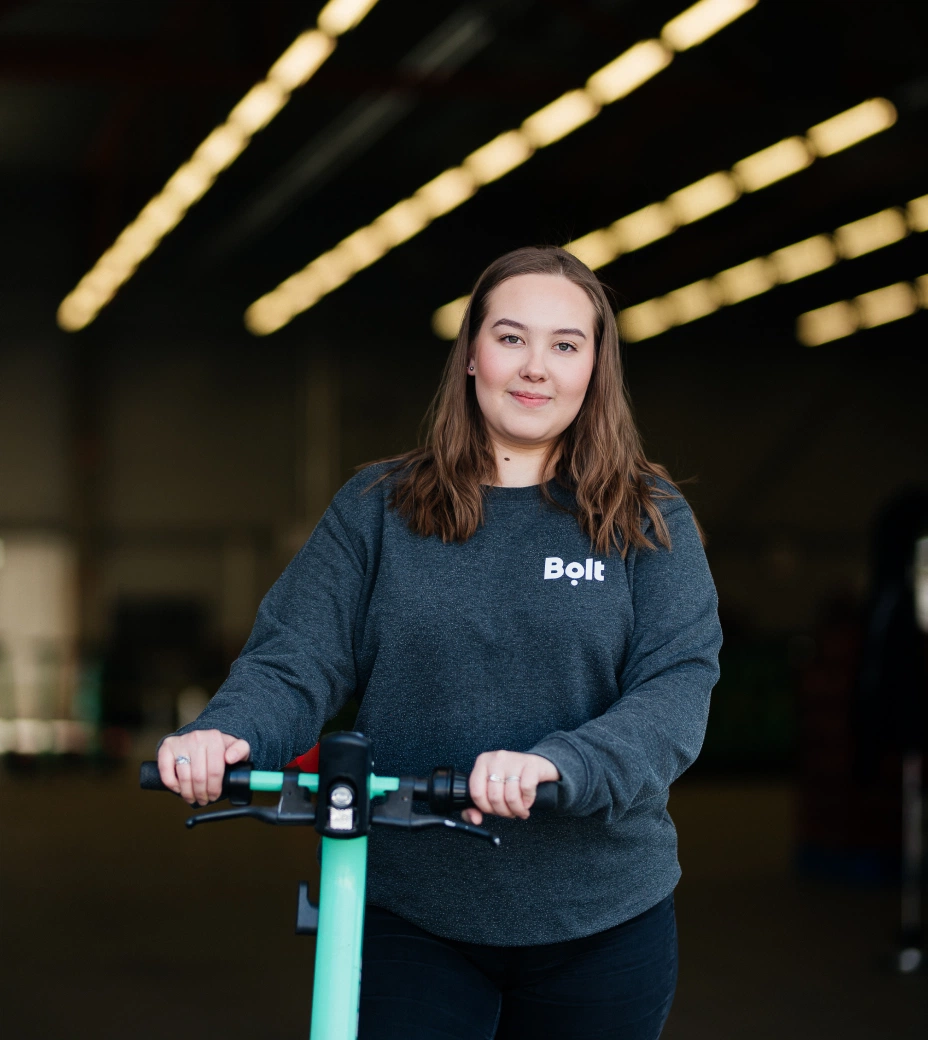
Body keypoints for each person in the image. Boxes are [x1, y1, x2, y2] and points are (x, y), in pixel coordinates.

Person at [157, 245, 722, 1039]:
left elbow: (675, 691)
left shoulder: (646, 518)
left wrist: (562, 763)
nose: (535, 368)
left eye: (565, 345)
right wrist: (228, 733)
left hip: (602, 915)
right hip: (412, 913)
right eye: (511, 337)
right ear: (470, 355)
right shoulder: (378, 508)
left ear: (596, 369)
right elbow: (296, 659)